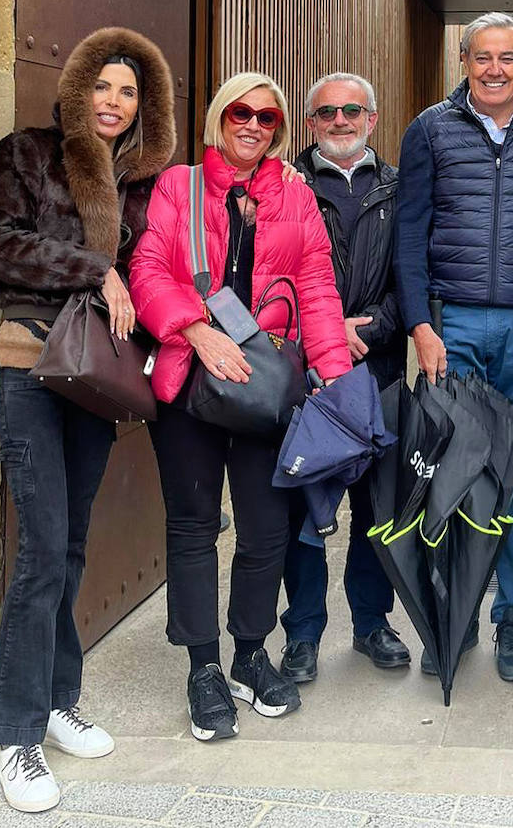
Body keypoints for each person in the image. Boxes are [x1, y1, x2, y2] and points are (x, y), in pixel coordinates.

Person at [0, 27, 176, 813]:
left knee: (73, 542)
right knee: (41, 549)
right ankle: (13, 736)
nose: (114, 103)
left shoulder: (144, 183)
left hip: (97, 379)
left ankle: (56, 699)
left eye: (129, 92)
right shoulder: (26, 153)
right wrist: (97, 269)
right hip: (30, 366)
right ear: (79, 89)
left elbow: (159, 267)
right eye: (104, 87)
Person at [129, 72, 351, 743]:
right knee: (194, 527)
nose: (252, 126)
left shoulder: (295, 196)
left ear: (279, 129)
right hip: (191, 383)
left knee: (266, 530)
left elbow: (315, 288)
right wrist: (194, 332)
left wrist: (335, 382)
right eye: (239, 114)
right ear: (219, 120)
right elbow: (148, 268)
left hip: (265, 387)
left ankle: (250, 653)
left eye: (266, 118)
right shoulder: (180, 186)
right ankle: (203, 667)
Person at [395, 11, 513, 681]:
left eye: (506, 57)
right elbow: (409, 231)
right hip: (450, 322)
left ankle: (510, 614)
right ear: (463, 60)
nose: (494, 68)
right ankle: (452, 608)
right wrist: (418, 325)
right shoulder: (429, 128)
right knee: (452, 467)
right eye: (482, 56)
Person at [279, 71, 409, 682]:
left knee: (375, 508)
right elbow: (274, 277)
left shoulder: (399, 188)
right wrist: (322, 336)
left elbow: (413, 277)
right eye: (326, 112)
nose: (339, 121)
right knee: (307, 509)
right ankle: (302, 634)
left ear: (372, 119)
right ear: (311, 123)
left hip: (378, 368)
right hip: (306, 374)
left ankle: (372, 623)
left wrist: (371, 328)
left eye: (351, 111)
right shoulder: (286, 186)